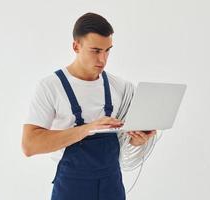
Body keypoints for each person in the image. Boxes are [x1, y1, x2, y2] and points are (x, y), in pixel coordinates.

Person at [22, 12, 156, 200]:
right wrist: (88, 129)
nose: (103, 59)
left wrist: (138, 139)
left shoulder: (120, 87)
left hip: (112, 186)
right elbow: (29, 145)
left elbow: (126, 139)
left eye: (107, 50)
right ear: (76, 46)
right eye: (95, 51)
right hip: (72, 188)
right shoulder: (51, 86)